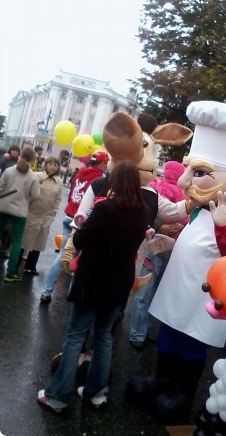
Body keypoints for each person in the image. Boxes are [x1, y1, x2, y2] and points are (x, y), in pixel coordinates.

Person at [127, 101, 226, 424]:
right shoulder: (199, 207)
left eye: (200, 172)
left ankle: (182, 394)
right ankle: (162, 381)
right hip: (179, 289)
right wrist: (170, 244)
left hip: (203, 296)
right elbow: (197, 242)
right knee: (168, 335)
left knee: (191, 343)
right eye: (188, 168)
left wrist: (223, 224)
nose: (184, 181)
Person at [37, 160, 150, 412]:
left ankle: (57, 396)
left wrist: (80, 227)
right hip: (119, 282)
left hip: (92, 281)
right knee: (103, 337)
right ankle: (96, 392)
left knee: (75, 336)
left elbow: (81, 239)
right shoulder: (142, 213)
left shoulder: (106, 209)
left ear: (115, 182)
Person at [129, 160, 189, 349]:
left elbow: (181, 213)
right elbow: (149, 213)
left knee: (152, 290)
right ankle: (138, 333)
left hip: (167, 248)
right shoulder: (154, 190)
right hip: (158, 246)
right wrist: (162, 226)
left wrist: (179, 225)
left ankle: (143, 331)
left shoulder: (164, 190)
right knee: (147, 289)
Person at [39, 150, 109, 303]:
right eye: (106, 163)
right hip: (82, 220)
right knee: (79, 258)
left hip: (68, 216)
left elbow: (71, 193)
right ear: (103, 163)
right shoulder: (100, 179)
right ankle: (71, 294)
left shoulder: (79, 173)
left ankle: (47, 291)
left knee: (63, 254)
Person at [0, 147, 41, 283]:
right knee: (16, 242)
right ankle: (11, 273)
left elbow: (0, 187)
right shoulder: (33, 176)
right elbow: (35, 195)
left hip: (3, 207)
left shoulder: (9, 170)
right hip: (20, 211)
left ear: (20, 156)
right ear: (33, 160)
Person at [21, 157, 63, 276]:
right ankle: (16, 265)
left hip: (46, 216)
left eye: (55, 165)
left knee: (38, 243)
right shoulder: (36, 176)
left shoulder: (59, 182)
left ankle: (31, 267)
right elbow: (27, 193)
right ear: (45, 165)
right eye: (50, 164)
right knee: (25, 241)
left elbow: (58, 199)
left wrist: (53, 213)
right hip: (32, 214)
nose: (53, 167)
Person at [0, 144, 21, 258]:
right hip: (3, 191)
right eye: (13, 150)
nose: (14, 153)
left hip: (13, 193)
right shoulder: (5, 159)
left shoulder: (19, 162)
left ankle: (4, 249)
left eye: (17, 151)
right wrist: (4, 157)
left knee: (9, 225)